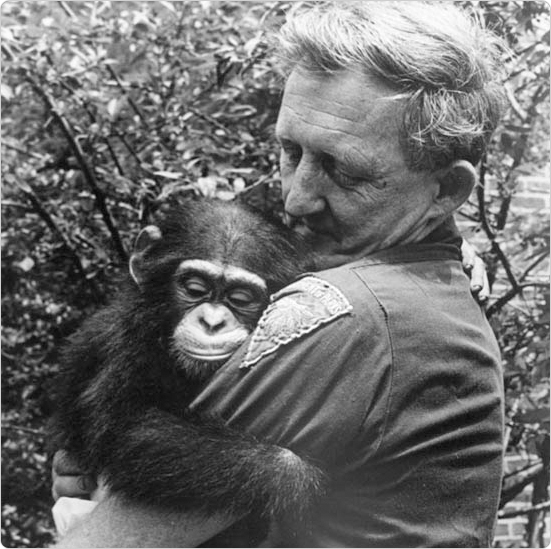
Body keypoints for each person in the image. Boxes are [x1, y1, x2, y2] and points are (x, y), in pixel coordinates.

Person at [52, 2, 505, 547]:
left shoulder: (346, 315)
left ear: (447, 191)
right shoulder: (428, 286)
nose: (297, 197)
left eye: (346, 170)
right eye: (289, 151)